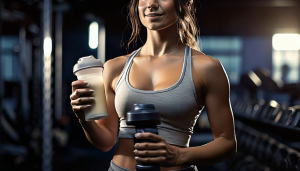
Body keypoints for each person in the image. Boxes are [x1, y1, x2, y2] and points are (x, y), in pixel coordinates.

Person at [70, 0, 237, 170]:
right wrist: (84, 118)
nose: (151, 4)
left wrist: (179, 156)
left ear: (185, 4)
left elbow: (228, 143)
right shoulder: (114, 67)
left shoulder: (207, 68)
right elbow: (106, 141)